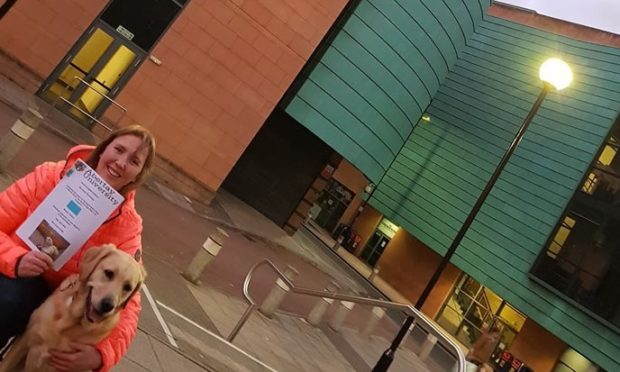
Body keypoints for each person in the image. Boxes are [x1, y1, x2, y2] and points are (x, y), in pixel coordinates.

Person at [0, 124, 156, 371]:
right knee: (9, 298)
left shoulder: (128, 226)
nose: (121, 162)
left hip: (62, 300)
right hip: (11, 275)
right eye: (118, 149)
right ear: (103, 149)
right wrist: (17, 259)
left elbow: (130, 302)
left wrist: (102, 355)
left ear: (137, 175)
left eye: (134, 161)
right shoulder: (50, 176)